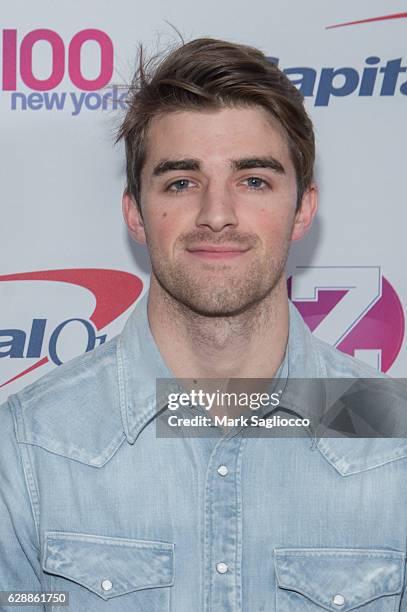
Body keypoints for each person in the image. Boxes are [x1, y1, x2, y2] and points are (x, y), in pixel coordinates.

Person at [1, 37, 407, 612]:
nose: (217, 214)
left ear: (304, 208)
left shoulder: (393, 438)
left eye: (254, 181)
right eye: (182, 182)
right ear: (135, 213)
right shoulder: (26, 445)